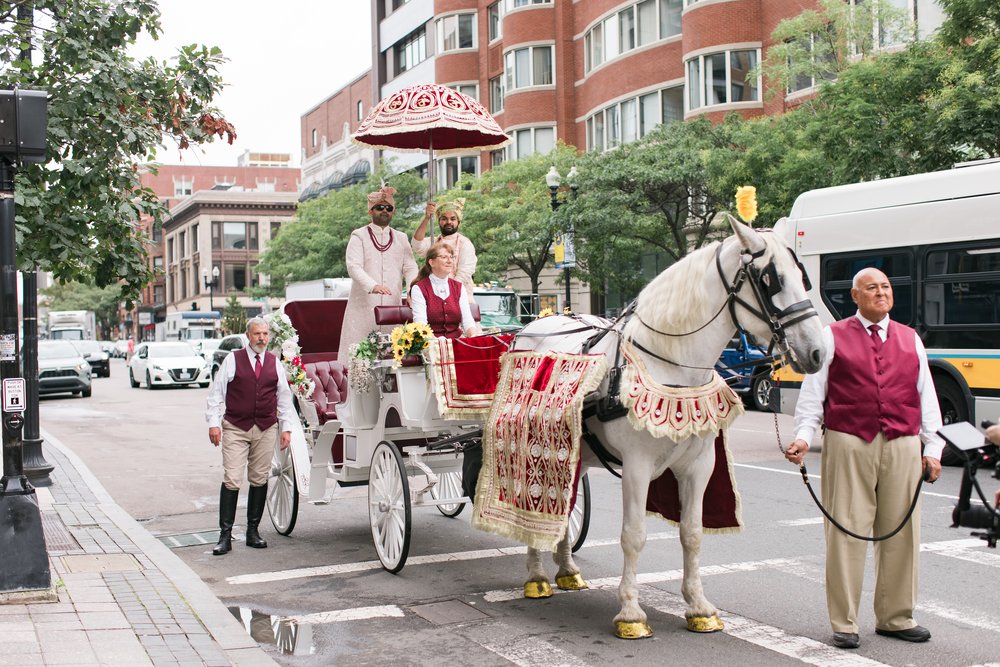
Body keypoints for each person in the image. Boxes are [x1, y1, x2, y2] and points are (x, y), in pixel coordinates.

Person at [784, 267, 943, 650]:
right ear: (855, 296)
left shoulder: (911, 339)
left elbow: (928, 399)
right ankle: (845, 622)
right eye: (871, 288)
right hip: (848, 439)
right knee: (846, 531)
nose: (881, 293)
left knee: (903, 533)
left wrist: (933, 448)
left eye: (886, 287)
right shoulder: (831, 335)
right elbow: (813, 394)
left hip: (903, 443)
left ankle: (896, 616)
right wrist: (804, 437)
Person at [205, 317, 294, 556]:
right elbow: (216, 394)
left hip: (266, 428)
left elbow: (284, 398)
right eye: (257, 334)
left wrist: (286, 428)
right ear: (248, 335)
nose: (262, 339)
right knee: (232, 478)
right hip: (235, 427)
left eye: (265, 334)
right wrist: (214, 424)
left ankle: (252, 531)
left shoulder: (275, 363)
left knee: (259, 478)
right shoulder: (233, 360)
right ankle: (225, 535)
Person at [338, 184, 418, 361]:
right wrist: (373, 286)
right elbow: (353, 266)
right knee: (360, 363)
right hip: (363, 307)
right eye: (379, 207)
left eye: (389, 208)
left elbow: (411, 267)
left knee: (391, 360)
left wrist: (413, 290)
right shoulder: (358, 235)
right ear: (370, 211)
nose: (385, 211)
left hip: (392, 306)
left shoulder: (401, 238)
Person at [409, 242, 481, 339]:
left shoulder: (459, 287)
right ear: (431, 262)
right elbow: (420, 323)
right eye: (444, 257)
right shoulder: (419, 288)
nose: (449, 261)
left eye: (452, 257)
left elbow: (467, 319)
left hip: (457, 342)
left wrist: (473, 336)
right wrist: (438, 343)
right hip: (431, 344)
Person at [411, 198, 477, 301]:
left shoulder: (465, 244)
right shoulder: (434, 241)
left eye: (452, 219)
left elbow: (464, 274)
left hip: (459, 299)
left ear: (458, 222)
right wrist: (426, 218)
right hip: (434, 299)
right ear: (439, 221)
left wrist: (447, 296)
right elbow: (416, 245)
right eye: (444, 218)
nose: (448, 222)